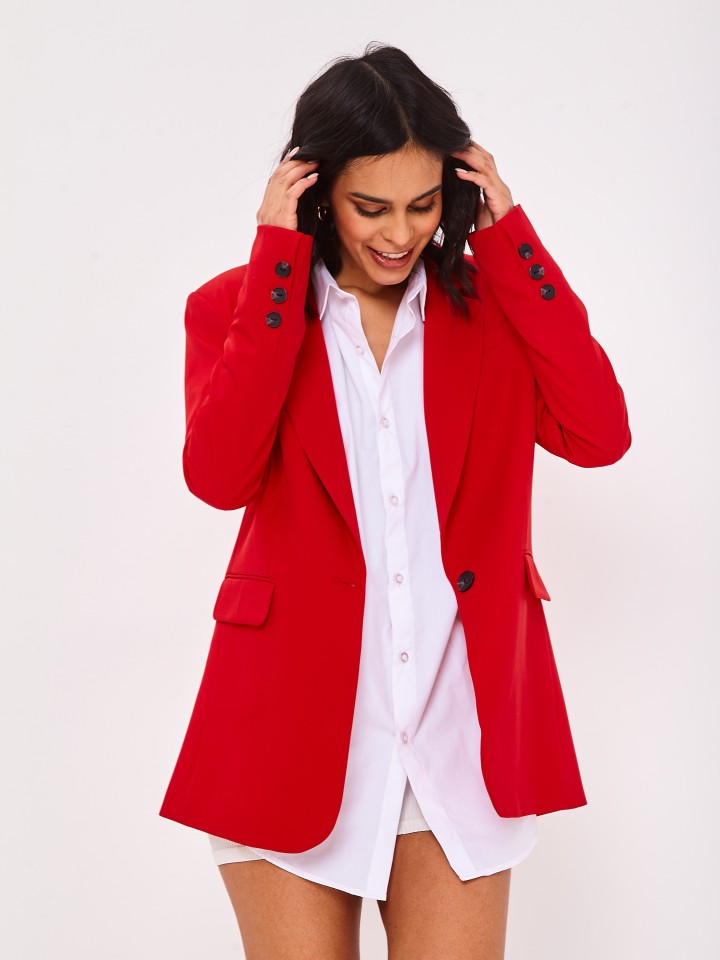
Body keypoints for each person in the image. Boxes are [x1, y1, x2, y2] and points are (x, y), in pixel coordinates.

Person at [159, 42, 631, 960]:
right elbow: (218, 477)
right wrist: (276, 262)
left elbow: (600, 432)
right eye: (369, 206)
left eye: (422, 205)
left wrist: (512, 240)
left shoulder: (493, 312)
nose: (399, 233)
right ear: (315, 191)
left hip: (458, 733)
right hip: (288, 733)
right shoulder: (239, 308)